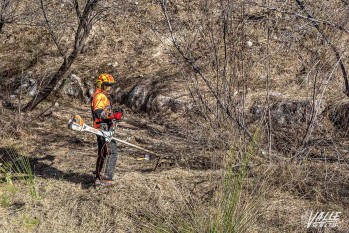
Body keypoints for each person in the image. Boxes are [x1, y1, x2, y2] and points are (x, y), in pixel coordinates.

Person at [91, 73, 123, 186]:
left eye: (110, 86)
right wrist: (114, 116)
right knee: (111, 152)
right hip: (103, 128)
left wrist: (114, 114)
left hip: (102, 127)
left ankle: (99, 176)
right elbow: (99, 113)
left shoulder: (100, 95)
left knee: (103, 152)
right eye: (107, 85)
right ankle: (104, 178)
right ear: (101, 84)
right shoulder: (100, 96)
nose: (109, 88)